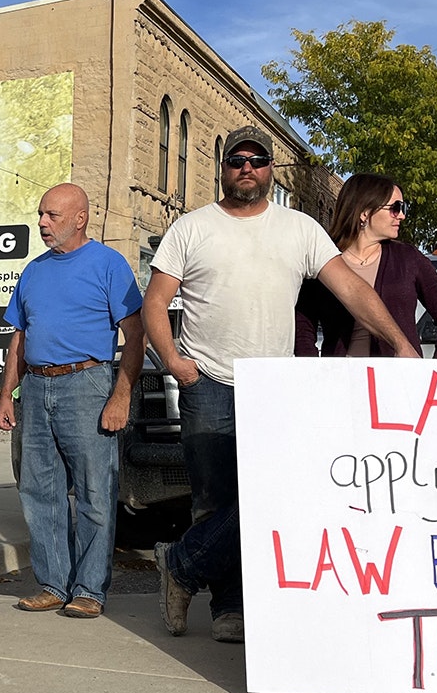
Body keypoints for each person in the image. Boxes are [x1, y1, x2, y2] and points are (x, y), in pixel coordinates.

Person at [144, 126, 420, 644]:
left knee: (268, 495)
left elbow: (353, 291)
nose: (246, 167)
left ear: (271, 169)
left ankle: (181, 564)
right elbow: (155, 303)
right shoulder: (191, 228)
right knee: (213, 496)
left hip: (272, 388)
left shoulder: (300, 229)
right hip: (207, 380)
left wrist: (401, 344)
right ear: (223, 168)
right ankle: (229, 608)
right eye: (236, 160)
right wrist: (175, 361)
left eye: (258, 160)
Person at [0, 183, 145, 619]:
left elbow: (134, 335)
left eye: (52, 215)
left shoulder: (109, 265)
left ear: (80, 218)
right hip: (36, 388)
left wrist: (121, 395)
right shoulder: (33, 271)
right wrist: (8, 394)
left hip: (88, 383)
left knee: (95, 493)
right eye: (41, 214)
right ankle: (52, 584)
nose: (42, 222)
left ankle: (90, 590)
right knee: (39, 492)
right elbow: (19, 337)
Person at [295, 172, 437, 358]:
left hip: (398, 379)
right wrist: (315, 373)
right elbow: (302, 327)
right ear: (365, 212)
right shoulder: (325, 260)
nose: (401, 216)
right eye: (395, 208)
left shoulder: (408, 259)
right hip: (341, 380)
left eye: (403, 208)